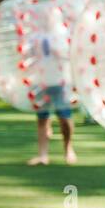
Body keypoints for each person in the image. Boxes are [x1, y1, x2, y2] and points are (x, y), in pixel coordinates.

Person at [27, 33, 77, 166]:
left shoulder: (62, 32)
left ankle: (68, 149)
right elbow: (28, 57)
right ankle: (43, 155)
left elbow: (72, 54)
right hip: (40, 81)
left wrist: (59, 53)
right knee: (42, 118)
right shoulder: (34, 36)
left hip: (60, 81)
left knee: (64, 117)